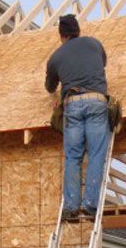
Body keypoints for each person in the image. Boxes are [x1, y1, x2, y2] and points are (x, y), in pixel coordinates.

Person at [45, 14, 109, 222]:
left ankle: (71, 206)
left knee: (73, 156)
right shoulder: (94, 44)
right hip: (97, 101)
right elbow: (103, 62)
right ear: (78, 31)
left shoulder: (56, 57)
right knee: (96, 153)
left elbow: (50, 87)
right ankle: (90, 205)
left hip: (72, 104)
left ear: (62, 36)